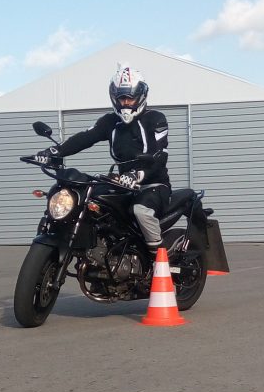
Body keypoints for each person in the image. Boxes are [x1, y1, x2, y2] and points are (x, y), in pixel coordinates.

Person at [35, 63, 170, 256]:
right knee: (90, 202)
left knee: (141, 211)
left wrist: (138, 174)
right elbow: (85, 137)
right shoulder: (110, 121)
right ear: (114, 97)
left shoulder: (155, 119)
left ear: (141, 96)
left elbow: (160, 155)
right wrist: (55, 151)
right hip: (123, 184)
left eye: (130, 98)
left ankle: (158, 259)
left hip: (153, 185)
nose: (126, 103)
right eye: (121, 98)